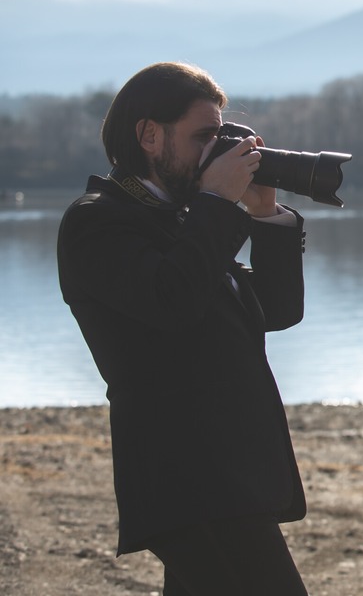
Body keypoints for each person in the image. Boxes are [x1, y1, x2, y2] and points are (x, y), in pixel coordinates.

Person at [57, 62, 310, 595]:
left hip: (231, 478)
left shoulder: (185, 219)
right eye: (202, 137)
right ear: (149, 135)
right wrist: (217, 204)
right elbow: (171, 302)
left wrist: (264, 215)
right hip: (187, 481)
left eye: (218, 137)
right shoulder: (97, 221)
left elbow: (277, 311)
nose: (213, 152)